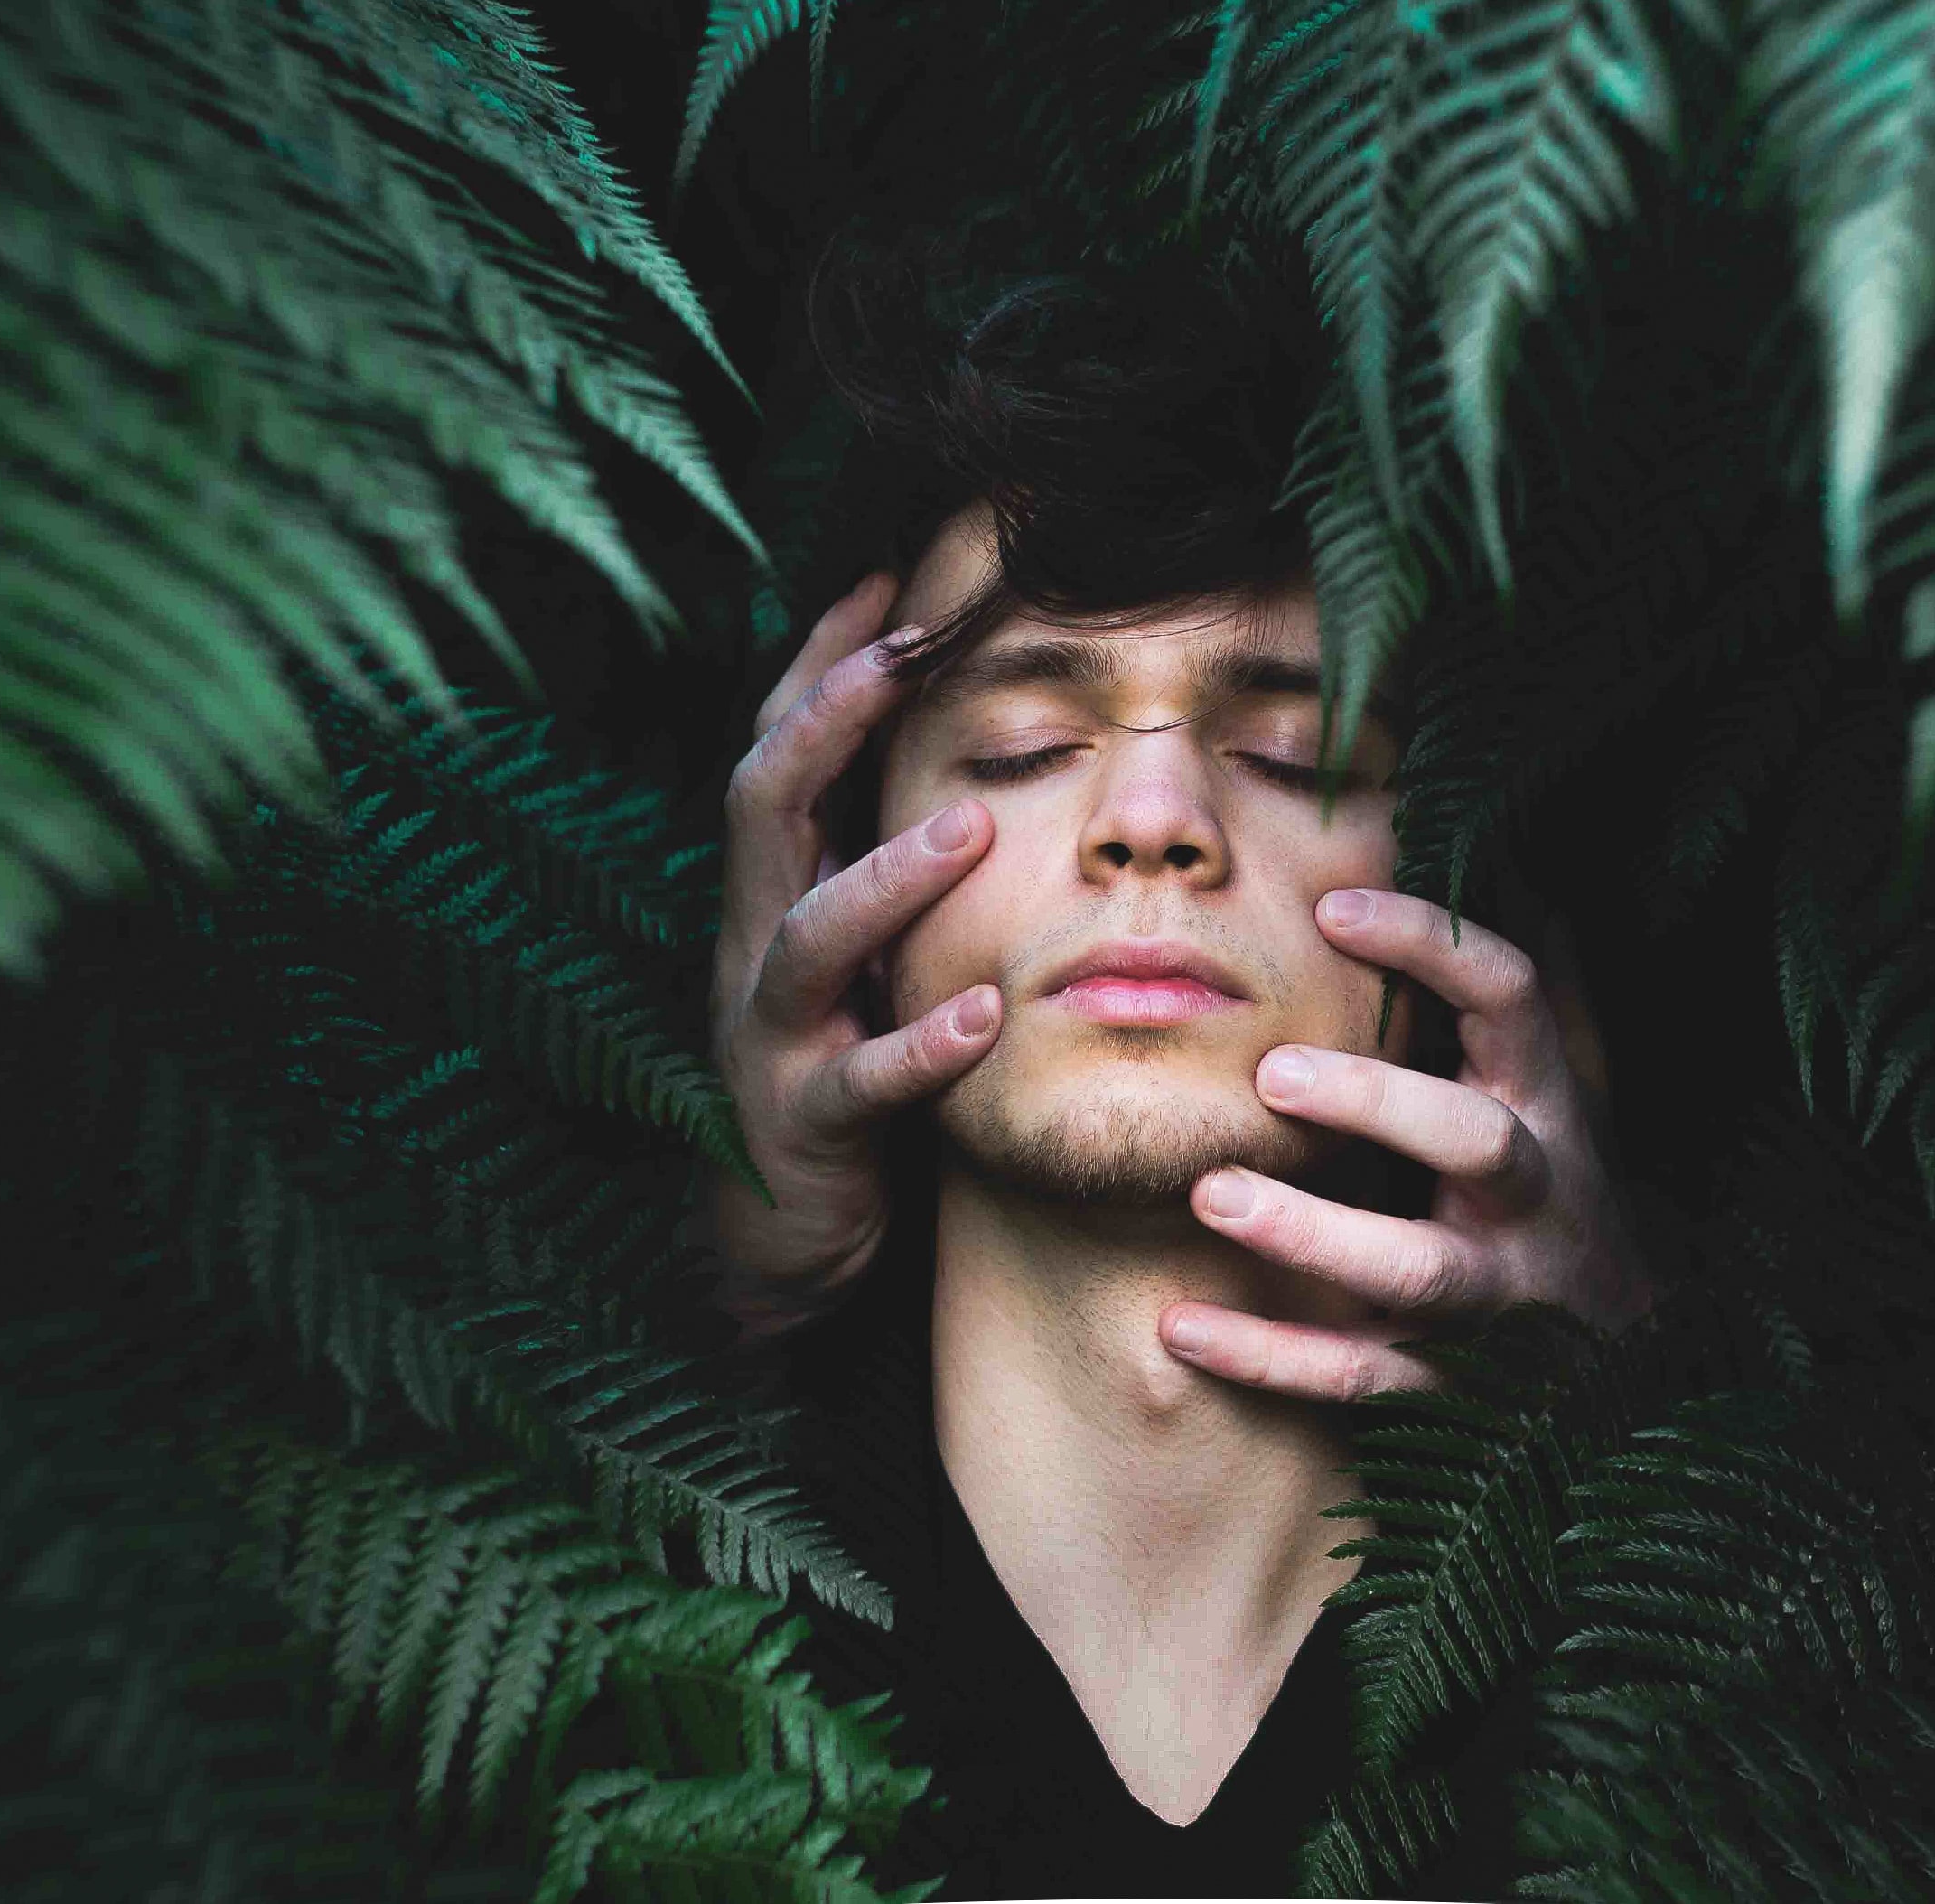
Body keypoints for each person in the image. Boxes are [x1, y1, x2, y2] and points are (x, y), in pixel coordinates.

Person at [697, 238, 1653, 1899]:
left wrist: (1650, 1424)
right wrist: (705, 1305)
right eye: (1025, 745)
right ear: (835, 866)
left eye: (1291, 752)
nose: (1153, 821)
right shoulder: (574, 1605)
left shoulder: (1754, 1659)